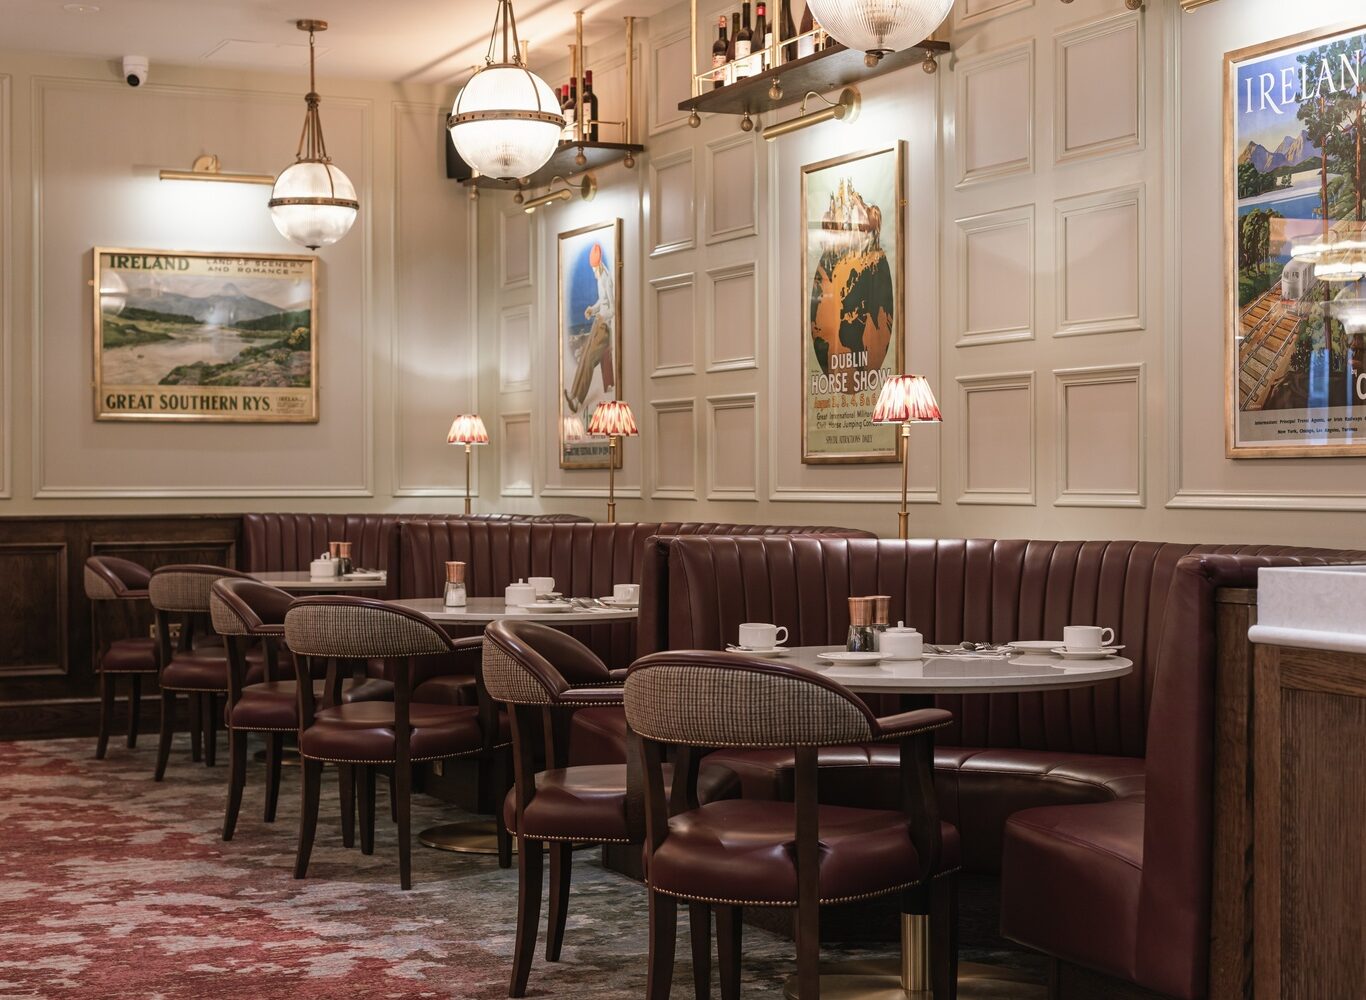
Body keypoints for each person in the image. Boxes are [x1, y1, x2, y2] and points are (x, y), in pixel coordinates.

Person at [564, 242, 615, 413]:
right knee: (584, 357)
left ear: (598, 265)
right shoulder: (600, 279)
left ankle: (578, 400)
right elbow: (603, 301)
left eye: (593, 268)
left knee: (590, 360)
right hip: (597, 324)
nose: (593, 271)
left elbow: (613, 309)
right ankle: (573, 394)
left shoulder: (607, 280)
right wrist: (592, 309)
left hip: (604, 328)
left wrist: (602, 316)